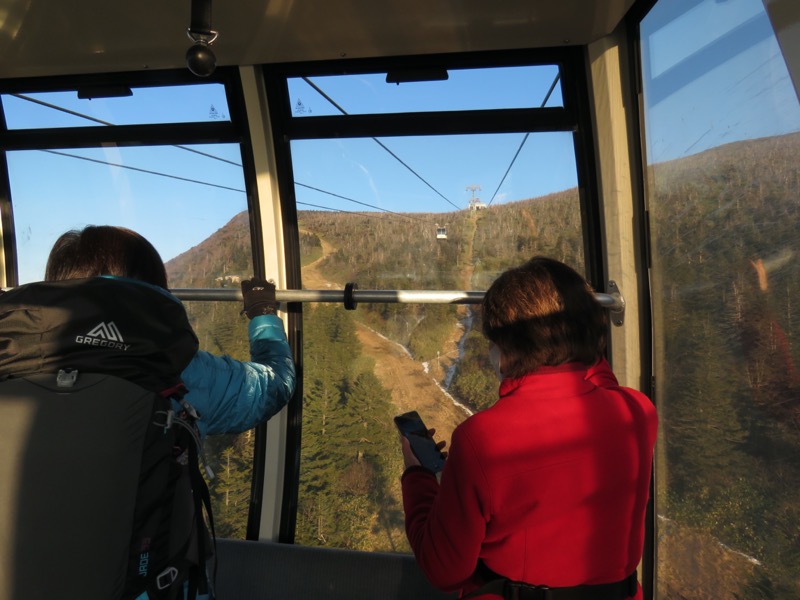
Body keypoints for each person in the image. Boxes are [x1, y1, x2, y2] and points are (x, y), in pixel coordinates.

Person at [399, 257, 658, 600]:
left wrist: (417, 477)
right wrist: (579, 324)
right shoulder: (637, 413)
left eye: (492, 342)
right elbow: (597, 375)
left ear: (506, 348)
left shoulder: (482, 439)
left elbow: (444, 569)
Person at [43, 225, 296, 439]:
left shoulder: (11, 350)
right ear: (155, 291)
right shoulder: (181, 372)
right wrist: (262, 312)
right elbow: (276, 384)